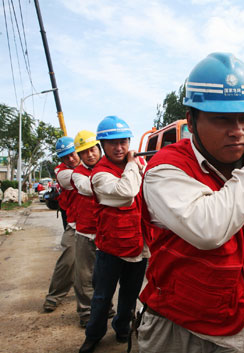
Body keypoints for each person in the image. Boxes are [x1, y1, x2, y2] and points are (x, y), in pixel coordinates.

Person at [138, 52, 244, 353]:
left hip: (239, 325)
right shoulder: (166, 169)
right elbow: (209, 229)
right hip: (177, 328)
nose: (238, 132)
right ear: (191, 121)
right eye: (222, 120)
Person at [79, 116, 148, 353]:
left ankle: (122, 328)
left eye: (123, 142)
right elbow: (127, 192)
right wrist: (132, 165)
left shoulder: (137, 167)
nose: (119, 148)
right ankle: (94, 335)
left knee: (129, 296)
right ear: (102, 146)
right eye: (112, 143)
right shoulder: (99, 175)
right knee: (102, 297)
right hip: (110, 249)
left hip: (138, 245)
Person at [71, 130, 111, 328]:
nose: (90, 154)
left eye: (93, 149)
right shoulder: (78, 174)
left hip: (106, 233)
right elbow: (88, 188)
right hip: (86, 233)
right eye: (84, 152)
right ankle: (86, 313)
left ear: (99, 148)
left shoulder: (108, 167)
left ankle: (107, 308)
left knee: (105, 276)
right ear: (80, 155)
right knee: (85, 276)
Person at [43, 136, 81, 312]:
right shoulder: (62, 172)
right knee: (68, 258)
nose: (71, 159)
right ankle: (54, 295)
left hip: (99, 222)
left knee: (95, 266)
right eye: (66, 157)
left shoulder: (92, 164)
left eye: (72, 154)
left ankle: (96, 304)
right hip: (75, 222)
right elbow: (85, 180)